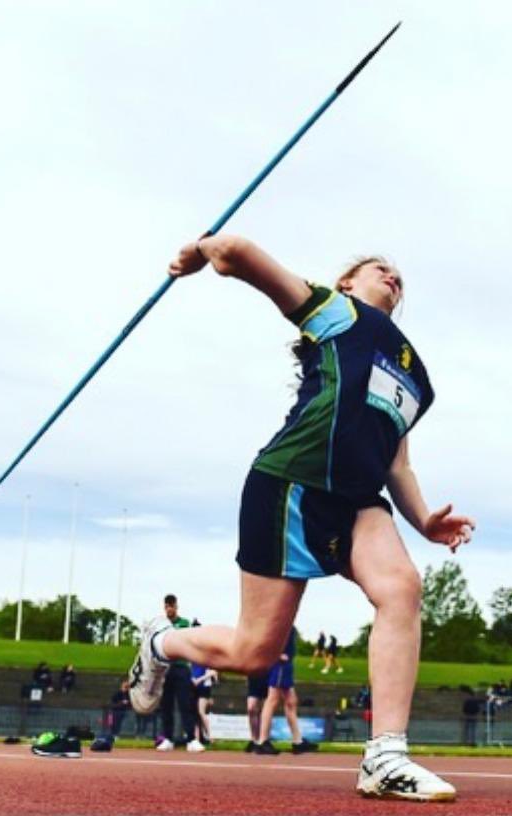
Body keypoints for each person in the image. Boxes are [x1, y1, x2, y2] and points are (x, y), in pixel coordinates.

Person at [128, 235, 475, 801]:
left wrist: (423, 522)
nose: (393, 275)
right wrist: (201, 251)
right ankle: (163, 643)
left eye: (399, 275)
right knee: (254, 653)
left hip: (357, 500)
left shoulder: (419, 380)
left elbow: (398, 463)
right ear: (346, 283)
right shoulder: (338, 313)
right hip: (290, 482)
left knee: (402, 587)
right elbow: (238, 253)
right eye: (378, 267)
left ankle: (385, 757)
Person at [253, 627, 318, 755]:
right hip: (280, 664)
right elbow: (268, 637)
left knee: (291, 701)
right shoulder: (278, 619)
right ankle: (262, 741)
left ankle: (297, 741)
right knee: (272, 700)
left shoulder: (286, 620)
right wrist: (277, 654)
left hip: (285, 664)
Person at [154, 594, 204, 753]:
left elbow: (186, 643)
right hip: (165, 669)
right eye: (167, 606)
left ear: (176, 607)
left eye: (172, 606)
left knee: (186, 704)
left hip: (181, 667)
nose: (169, 609)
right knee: (166, 705)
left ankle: (191, 739)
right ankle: (168, 738)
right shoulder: (160, 625)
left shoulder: (184, 624)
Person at [245, 673, 269, 753]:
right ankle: (254, 739)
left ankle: (263, 740)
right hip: (254, 676)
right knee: (251, 708)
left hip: (267, 676)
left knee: (265, 710)